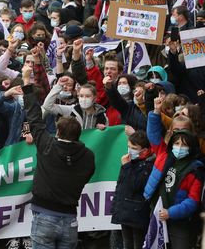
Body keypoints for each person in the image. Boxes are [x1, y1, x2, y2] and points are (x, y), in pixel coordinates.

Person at [22, 64, 95, 249]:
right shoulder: (87, 156)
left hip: (44, 216)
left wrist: (26, 82)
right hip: (70, 218)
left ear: (58, 132)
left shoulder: (48, 146)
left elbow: (34, 119)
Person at [144, 97, 204, 248]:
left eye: (184, 132)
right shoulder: (163, 153)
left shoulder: (195, 168)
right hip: (156, 215)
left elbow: (192, 201)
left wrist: (171, 213)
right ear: (170, 132)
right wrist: (156, 112)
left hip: (179, 222)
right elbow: (153, 134)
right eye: (176, 132)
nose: (180, 138)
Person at [111, 131, 154, 249]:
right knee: (127, 243)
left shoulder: (147, 165)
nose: (130, 150)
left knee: (138, 244)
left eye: (134, 148)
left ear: (145, 150)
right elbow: (120, 185)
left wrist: (126, 166)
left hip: (137, 213)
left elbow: (135, 185)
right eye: (129, 146)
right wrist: (115, 206)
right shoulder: (131, 163)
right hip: (125, 211)